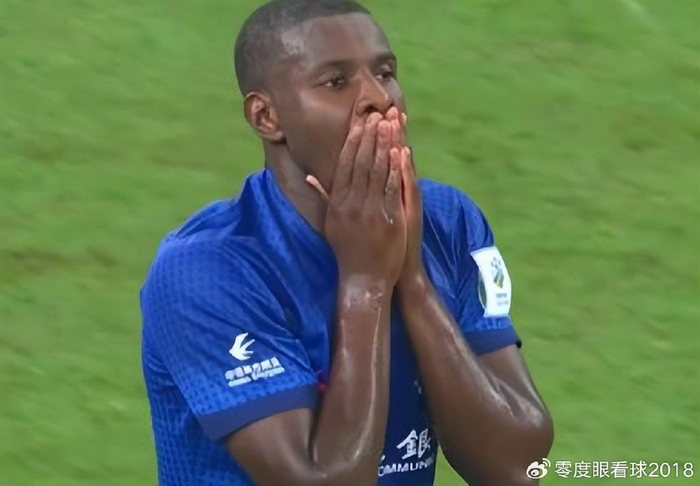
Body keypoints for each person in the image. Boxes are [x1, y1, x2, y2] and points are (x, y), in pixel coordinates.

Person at [140, 1, 554, 485]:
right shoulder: (207, 271)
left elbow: (517, 468)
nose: (379, 98)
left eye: (386, 73)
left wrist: (411, 277)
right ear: (266, 116)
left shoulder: (450, 223)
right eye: (336, 82)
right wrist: (366, 283)